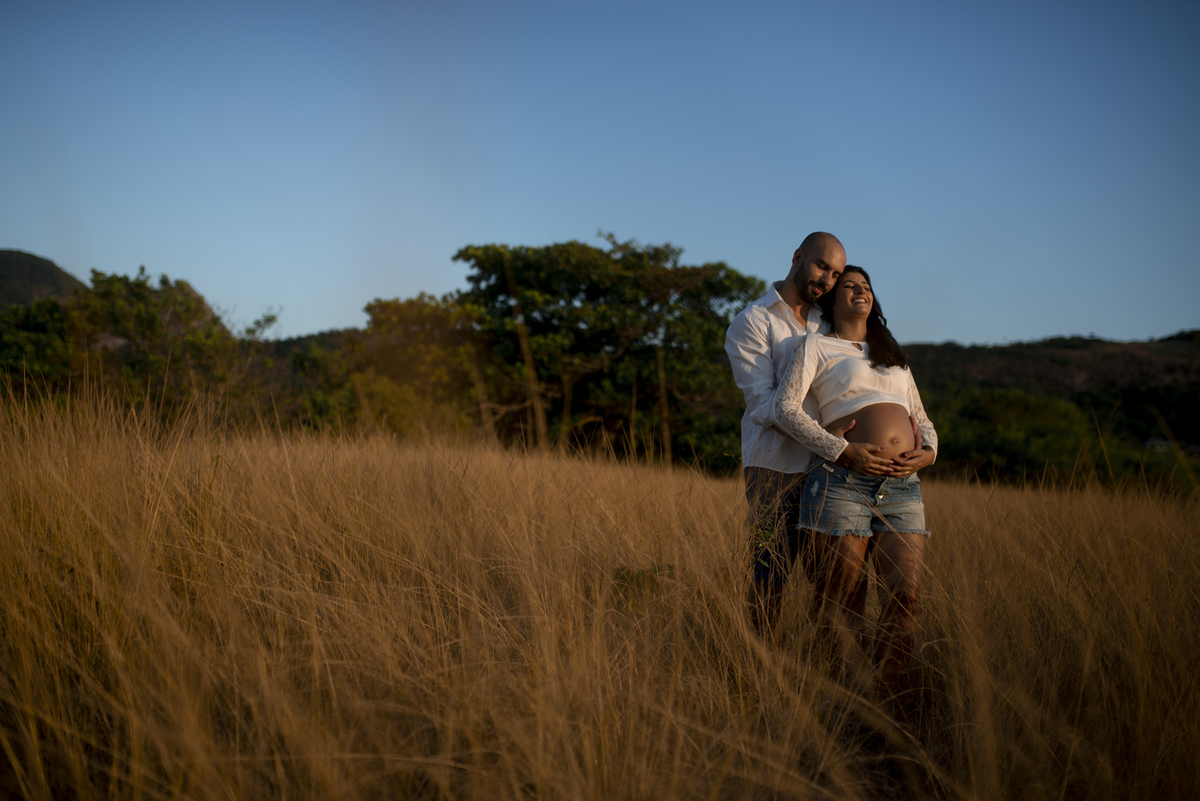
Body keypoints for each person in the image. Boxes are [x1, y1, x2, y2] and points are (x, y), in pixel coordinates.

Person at [752, 265, 936, 693]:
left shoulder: (894, 355)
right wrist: (841, 450)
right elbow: (784, 409)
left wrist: (929, 453)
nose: (860, 291)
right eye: (849, 286)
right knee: (842, 599)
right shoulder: (815, 346)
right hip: (841, 482)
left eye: (866, 286)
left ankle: (889, 701)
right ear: (831, 302)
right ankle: (840, 699)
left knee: (905, 595)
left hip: (902, 487)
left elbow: (922, 419)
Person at [724, 232, 847, 635]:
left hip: (828, 470)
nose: (827, 280)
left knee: (830, 577)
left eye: (836, 274)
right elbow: (764, 406)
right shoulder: (753, 321)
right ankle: (757, 660)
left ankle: (819, 659)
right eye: (821, 266)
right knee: (768, 571)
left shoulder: (830, 322)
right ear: (797, 257)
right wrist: (832, 441)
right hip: (771, 472)